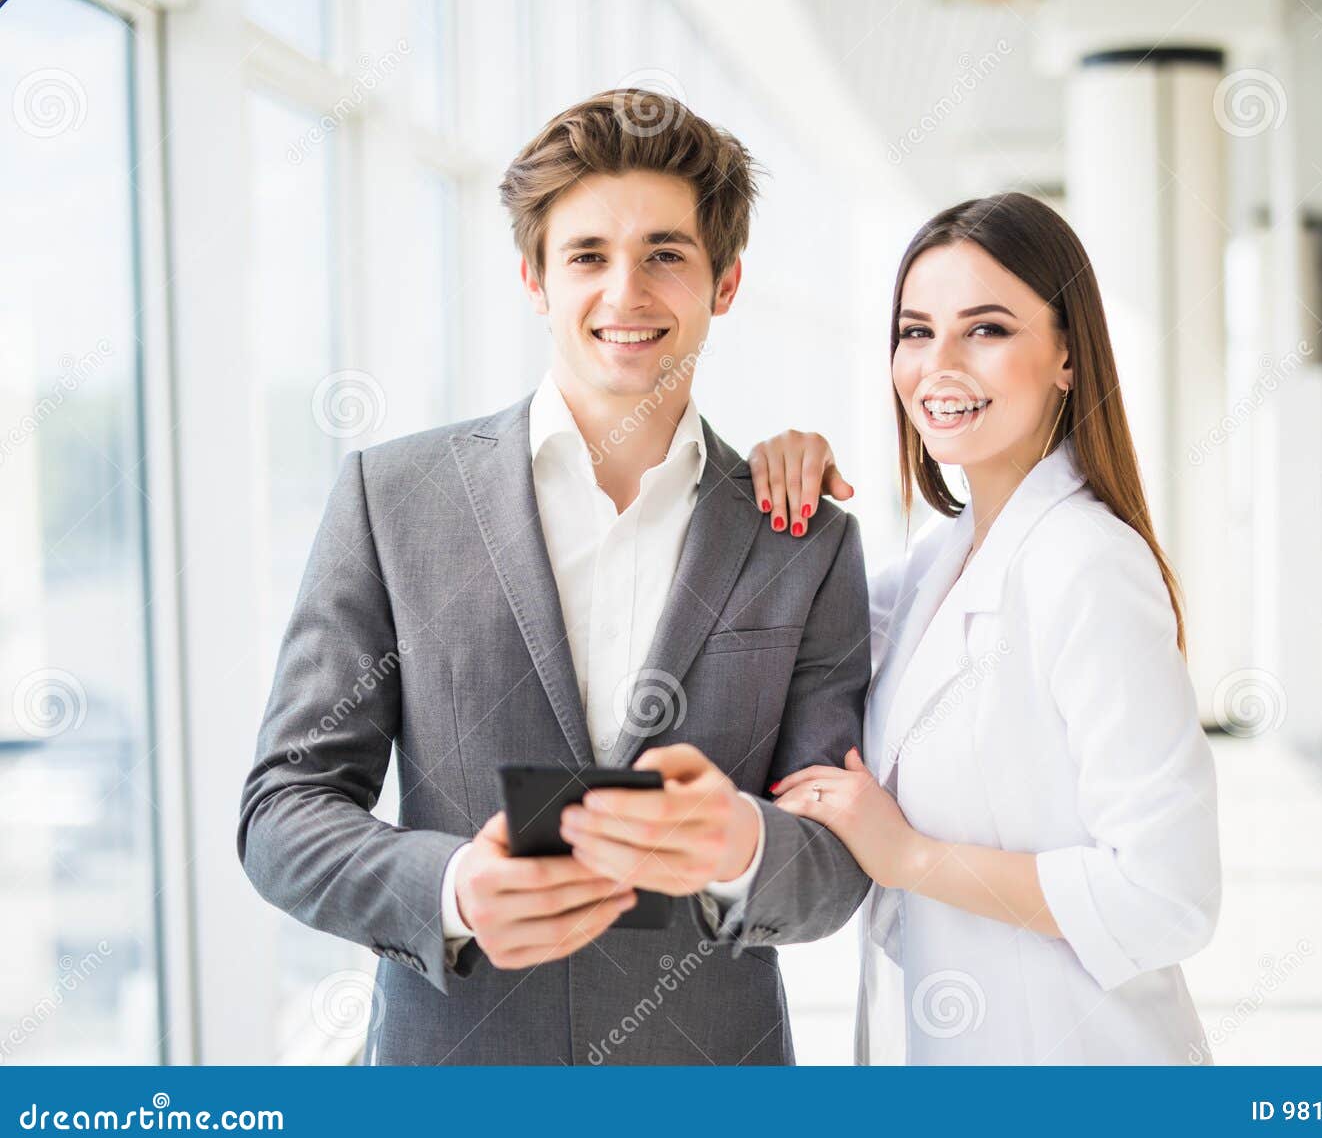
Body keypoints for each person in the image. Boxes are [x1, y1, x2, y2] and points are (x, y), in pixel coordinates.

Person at [238, 90, 871, 1065]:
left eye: (666, 253)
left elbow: (835, 857)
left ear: (727, 282)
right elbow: (284, 807)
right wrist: (449, 887)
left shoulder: (802, 535)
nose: (625, 293)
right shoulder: (392, 498)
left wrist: (739, 842)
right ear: (534, 278)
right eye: (587, 256)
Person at [747, 193, 1221, 1064]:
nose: (940, 365)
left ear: (1068, 356)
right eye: (916, 331)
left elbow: (1169, 894)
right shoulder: (945, 552)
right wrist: (781, 485)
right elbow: (795, 632)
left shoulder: (1088, 566)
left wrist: (913, 858)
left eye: (987, 329)